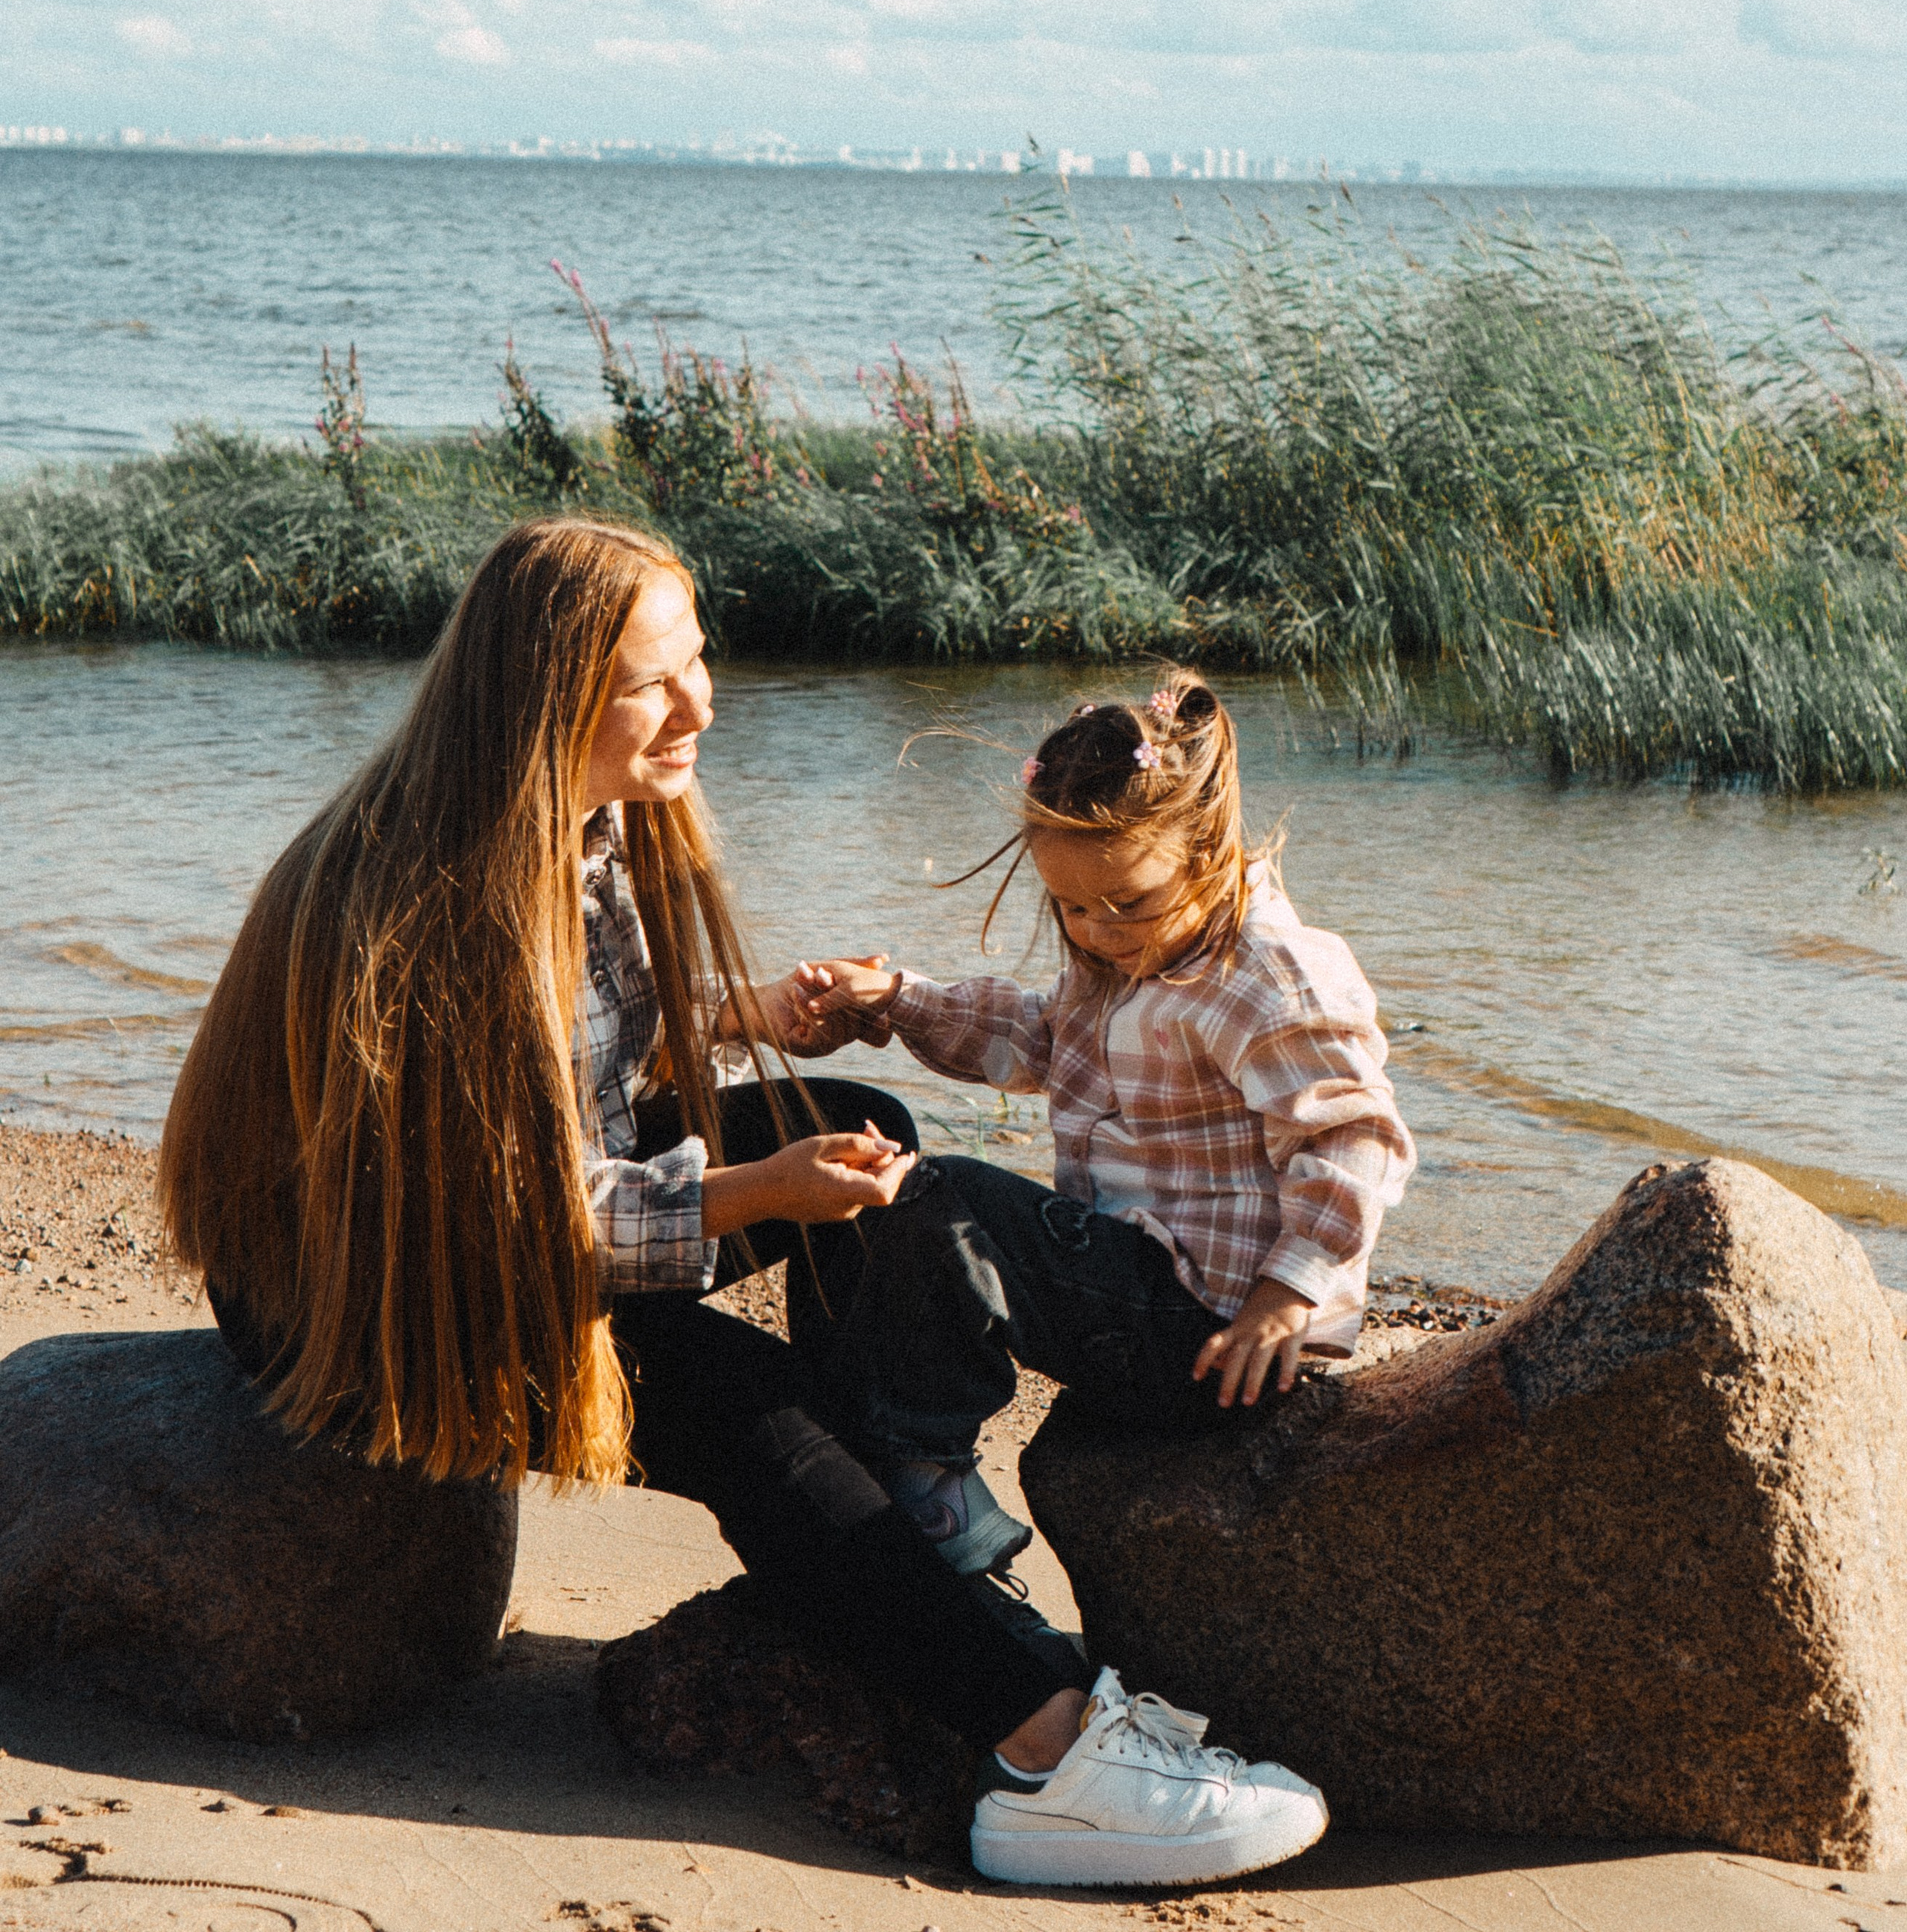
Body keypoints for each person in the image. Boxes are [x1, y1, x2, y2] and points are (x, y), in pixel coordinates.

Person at [159, 522, 1324, 1891]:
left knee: (865, 1137)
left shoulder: (584, 828)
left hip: (488, 1215)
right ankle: (1042, 1748)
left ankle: (890, 1546)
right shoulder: (435, 896)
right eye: (660, 681)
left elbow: (567, 1060)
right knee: (741, 1405)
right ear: (551, 696)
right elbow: (512, 1218)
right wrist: (751, 1194)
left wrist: (732, 1023)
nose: (702, 701)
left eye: (698, 660)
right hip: (371, 1297)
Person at [791, 671, 1418, 1597]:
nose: (1096, 930)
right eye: (1072, 908)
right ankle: (854, 1452)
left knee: (945, 1197)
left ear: (1206, 850)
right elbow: (1036, 1040)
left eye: (1126, 902)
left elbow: (1355, 1137)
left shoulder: (1270, 971)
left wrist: (1287, 1295)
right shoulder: (1121, 958)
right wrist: (899, 1001)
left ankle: (931, 1489)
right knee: (866, 1178)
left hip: (1216, 1335)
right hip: (1139, 1297)